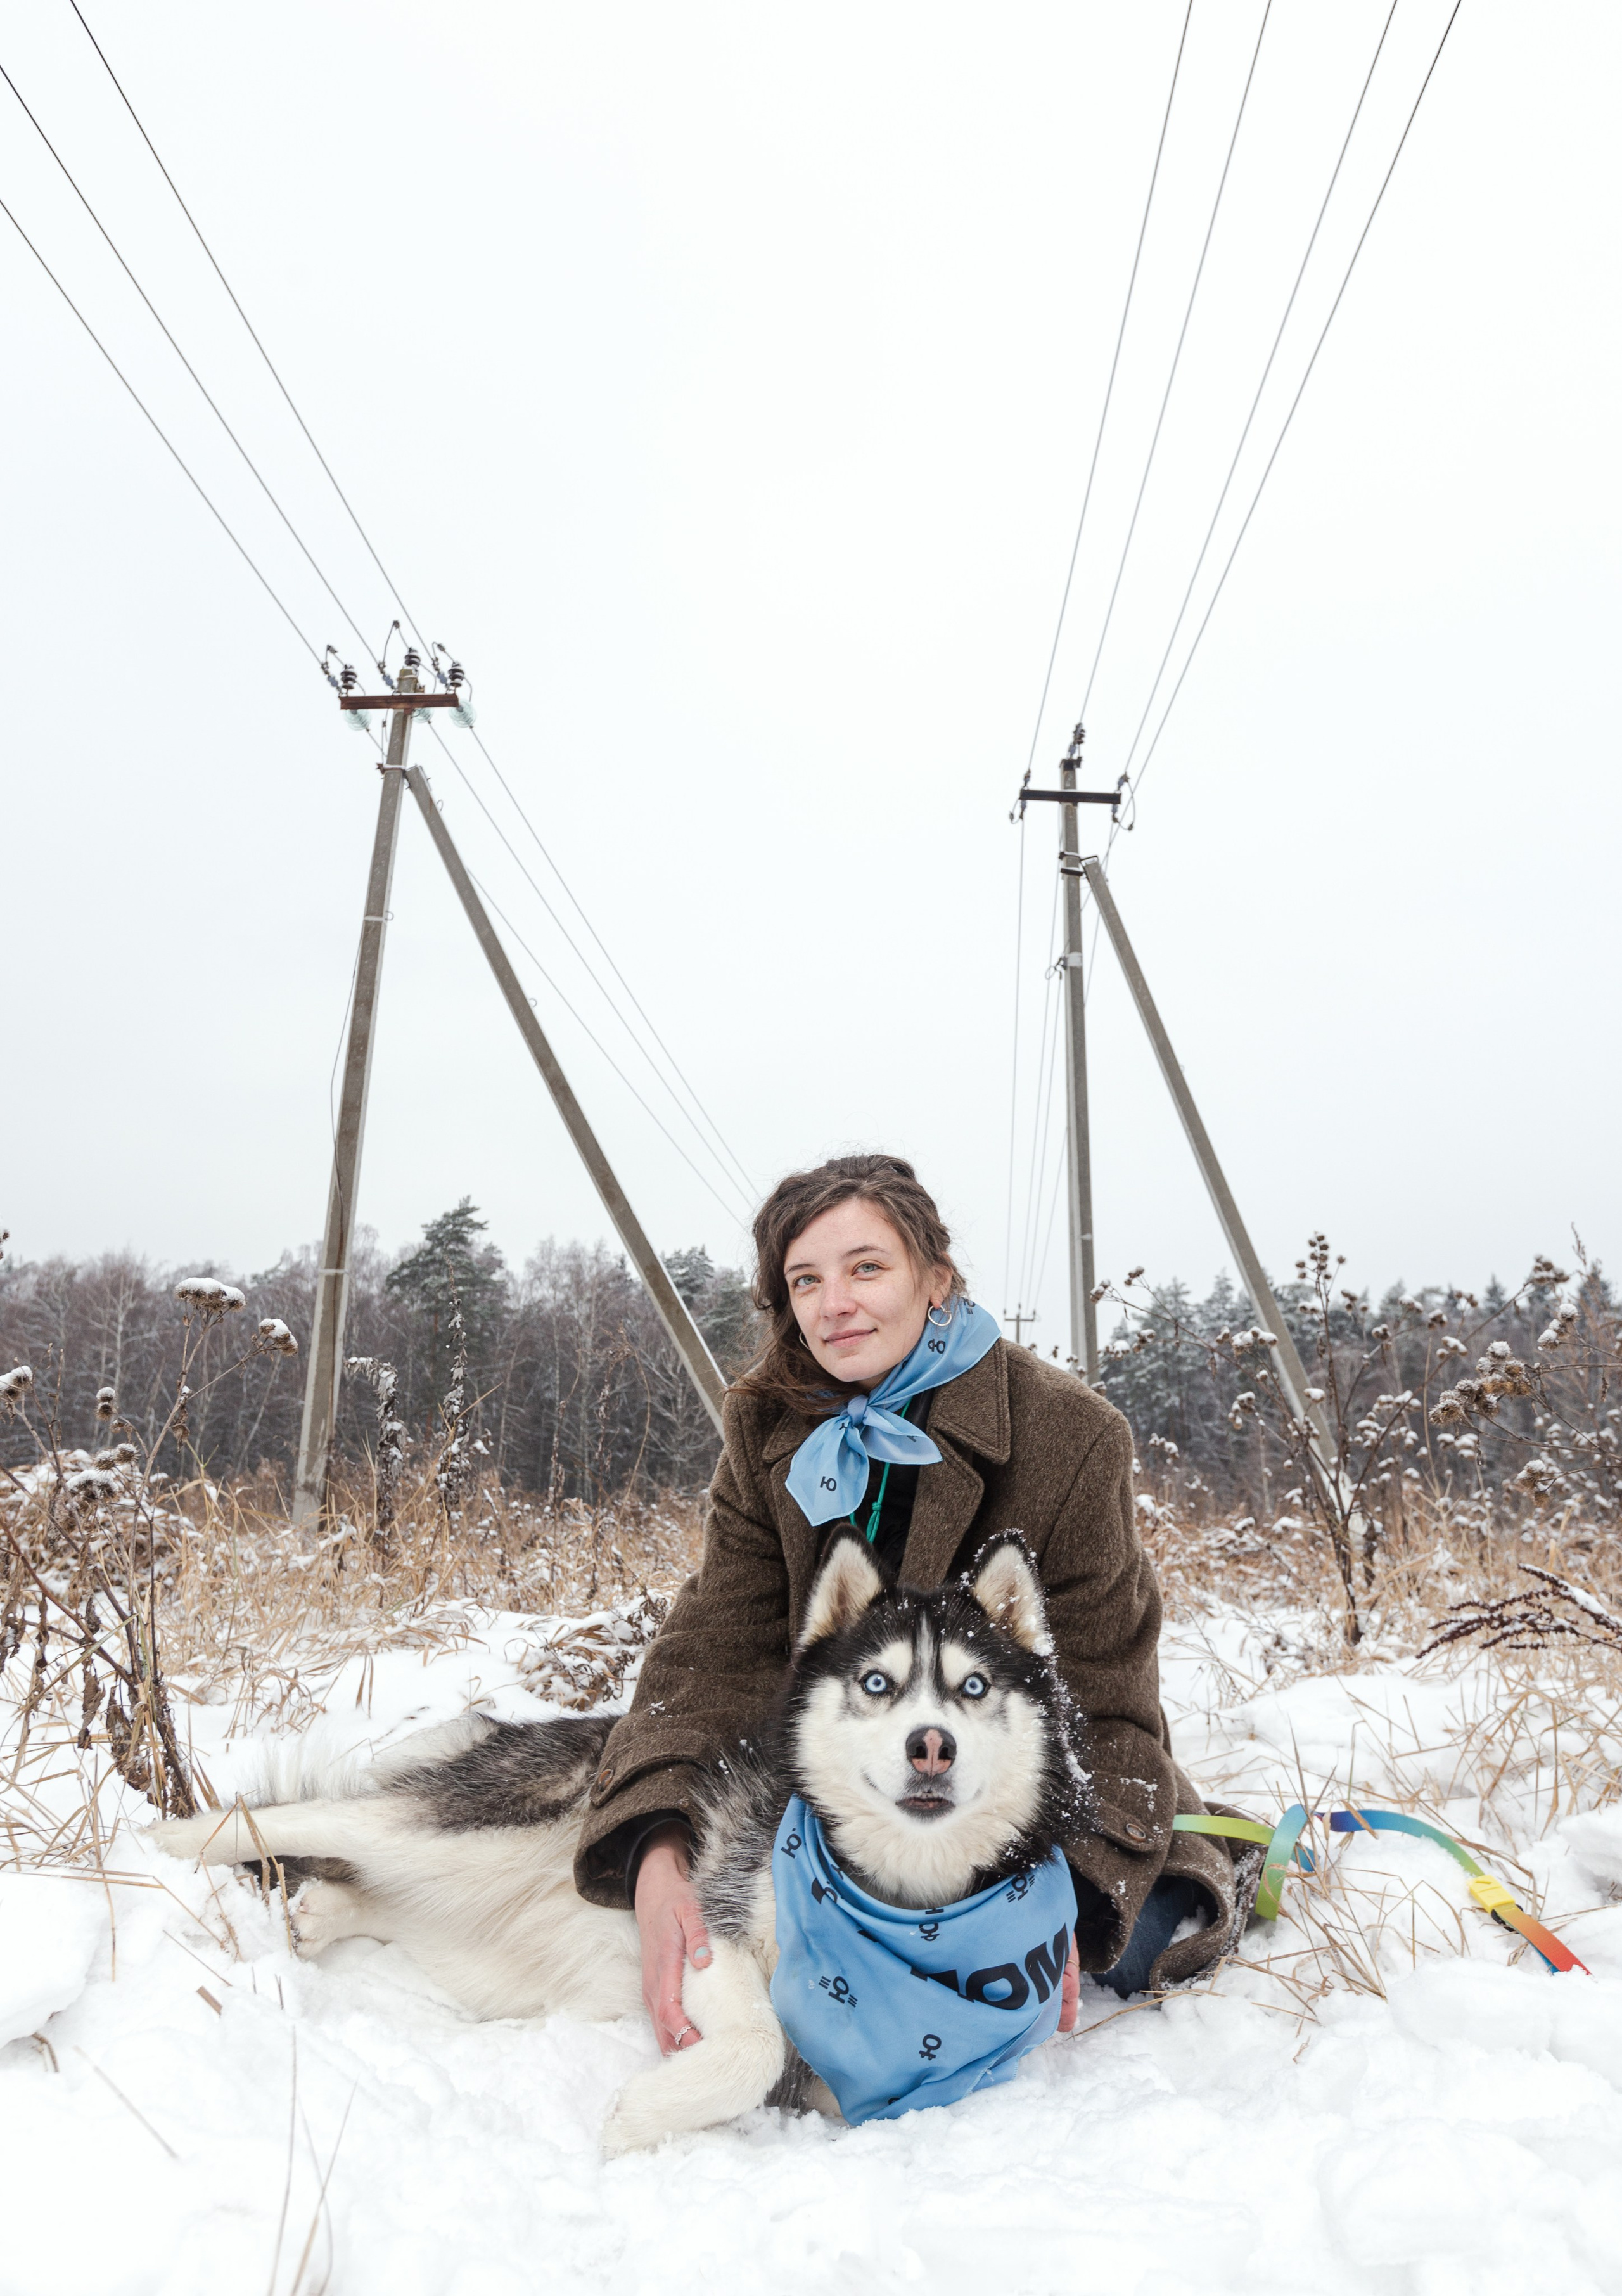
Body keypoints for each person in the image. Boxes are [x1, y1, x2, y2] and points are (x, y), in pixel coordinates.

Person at [573, 1153, 1251, 2058]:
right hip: (838, 1778)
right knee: (704, 1924)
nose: (833, 1304)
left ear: (937, 1278)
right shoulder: (766, 1424)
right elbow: (714, 1649)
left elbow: (1104, 1697)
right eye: (804, 1280)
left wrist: (1068, 1899)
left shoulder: (1071, 1435)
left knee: (1136, 1944)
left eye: (866, 1268)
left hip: (1001, 1796)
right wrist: (659, 1845)